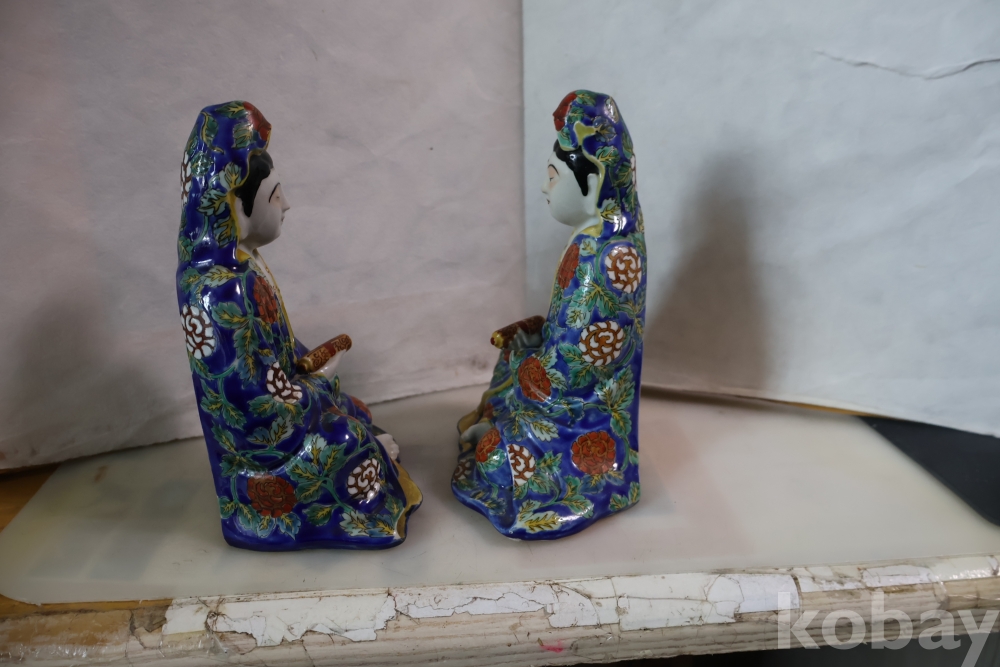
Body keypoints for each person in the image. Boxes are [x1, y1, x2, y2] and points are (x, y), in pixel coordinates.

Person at [177, 101, 420, 550]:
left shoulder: (246, 267)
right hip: (260, 453)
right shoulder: (219, 290)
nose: (287, 204)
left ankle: (371, 457)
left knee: (356, 411)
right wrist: (315, 384)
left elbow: (276, 348)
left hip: (290, 401)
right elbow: (249, 405)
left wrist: (308, 366)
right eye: (275, 195)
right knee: (346, 436)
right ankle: (285, 512)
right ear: (236, 207)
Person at [452, 91, 646, 539]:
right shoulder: (594, 240)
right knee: (510, 360)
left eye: (553, 176)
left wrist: (531, 360)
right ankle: (500, 423)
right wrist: (535, 340)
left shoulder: (609, 258)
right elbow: (573, 328)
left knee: (494, 458)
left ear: (592, 185)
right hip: (563, 380)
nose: (544, 187)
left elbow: (581, 365)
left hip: (581, 410)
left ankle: (516, 444)